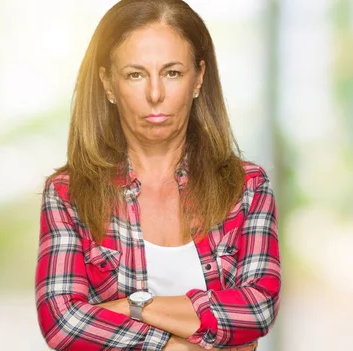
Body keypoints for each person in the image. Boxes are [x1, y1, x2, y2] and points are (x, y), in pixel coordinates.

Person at [34, 1, 281, 350]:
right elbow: (63, 323)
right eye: (135, 74)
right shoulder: (67, 193)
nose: (155, 94)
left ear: (198, 78)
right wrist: (176, 346)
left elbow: (258, 307)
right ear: (108, 83)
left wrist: (131, 307)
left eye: (172, 73)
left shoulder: (247, 186)